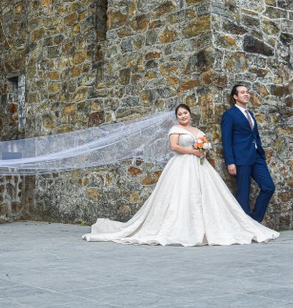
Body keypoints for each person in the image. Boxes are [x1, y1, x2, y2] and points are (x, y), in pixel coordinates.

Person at [83, 104, 278, 246]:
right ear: (177, 117)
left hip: (199, 166)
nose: (183, 116)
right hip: (181, 165)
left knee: (204, 196)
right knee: (180, 195)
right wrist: (194, 151)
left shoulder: (197, 130)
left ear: (190, 115)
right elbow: (174, 146)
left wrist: (203, 150)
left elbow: (203, 143)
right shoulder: (175, 129)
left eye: (185, 113)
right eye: (179, 114)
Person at [221, 84, 276, 223]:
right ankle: (245, 226)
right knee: (243, 193)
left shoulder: (250, 114)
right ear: (235, 96)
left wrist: (261, 152)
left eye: (247, 92)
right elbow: (226, 140)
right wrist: (230, 162)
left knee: (269, 187)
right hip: (241, 158)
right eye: (242, 92)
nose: (246, 94)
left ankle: (254, 220)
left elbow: (255, 135)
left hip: (257, 156)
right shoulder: (230, 115)